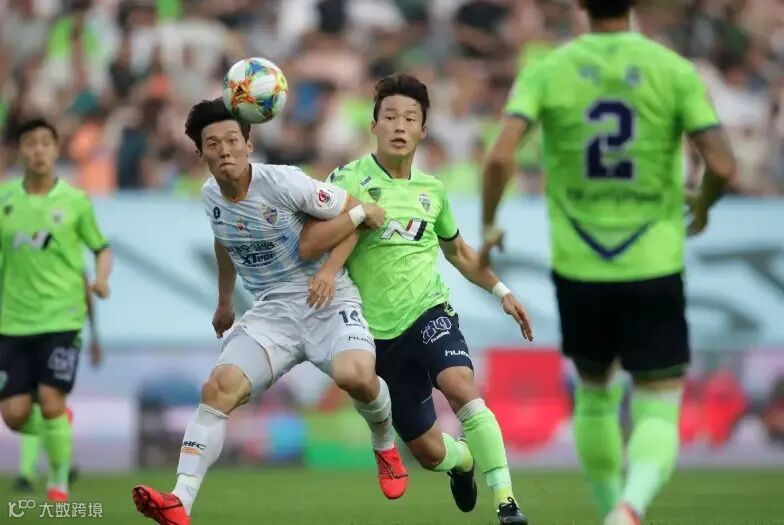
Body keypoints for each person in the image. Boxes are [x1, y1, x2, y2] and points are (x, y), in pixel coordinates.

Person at [480, 2, 736, 524]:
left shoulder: (548, 70)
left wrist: (488, 222)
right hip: (653, 260)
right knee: (659, 399)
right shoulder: (673, 70)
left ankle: (609, 508)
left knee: (595, 395)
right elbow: (723, 164)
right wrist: (705, 201)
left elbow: (501, 155)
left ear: (581, 6)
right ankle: (629, 507)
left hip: (581, 265)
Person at [131, 98, 407, 525]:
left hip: (328, 300)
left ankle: (384, 444)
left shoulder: (284, 182)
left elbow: (358, 214)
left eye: (232, 141)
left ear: (248, 143)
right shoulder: (210, 196)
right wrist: (225, 302)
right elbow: (223, 240)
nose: (224, 151)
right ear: (200, 153)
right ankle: (179, 500)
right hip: (272, 312)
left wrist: (329, 271)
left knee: (356, 377)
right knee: (217, 390)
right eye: (213, 144)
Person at [299, 74, 534, 525]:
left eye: (410, 118)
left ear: (423, 130)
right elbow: (313, 239)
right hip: (375, 335)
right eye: (390, 117)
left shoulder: (433, 191)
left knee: (461, 386)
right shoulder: (347, 179)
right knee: (428, 452)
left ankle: (506, 501)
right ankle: (463, 462)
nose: (399, 126)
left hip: (429, 313)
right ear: (374, 125)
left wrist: (502, 291)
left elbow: (459, 252)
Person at [0, 118, 113, 502]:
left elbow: (101, 248)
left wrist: (101, 279)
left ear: (55, 149)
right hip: (14, 321)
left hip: (62, 317)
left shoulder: (75, 201)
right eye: (30, 143)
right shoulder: (5, 200)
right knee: (14, 415)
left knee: (50, 400)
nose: (38, 150)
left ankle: (59, 482)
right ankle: (58, 428)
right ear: (20, 150)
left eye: (45, 143)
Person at [11, 277, 102, 493]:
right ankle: (59, 454)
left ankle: (31, 473)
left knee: (40, 405)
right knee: (27, 409)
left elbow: (84, 288)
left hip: (53, 335)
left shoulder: (64, 263)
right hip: (22, 333)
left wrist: (93, 335)